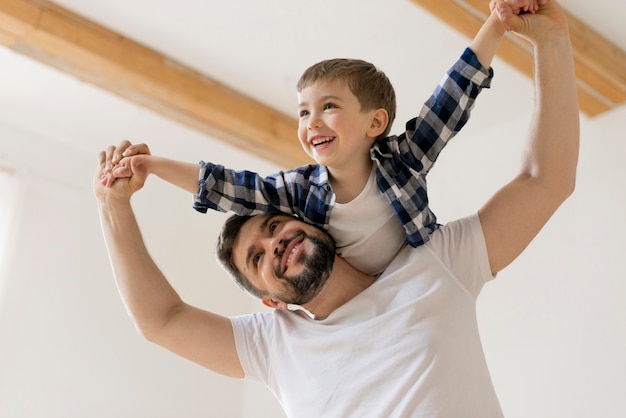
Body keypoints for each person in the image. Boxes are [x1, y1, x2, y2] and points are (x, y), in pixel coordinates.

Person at [95, 0, 578, 416]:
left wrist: (550, 42)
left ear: (311, 219)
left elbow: (545, 179)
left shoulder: (437, 264)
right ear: (271, 303)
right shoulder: (274, 345)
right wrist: (112, 205)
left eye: (273, 225)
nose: (273, 243)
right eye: (256, 259)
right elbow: (160, 320)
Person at [101, 0, 542, 277]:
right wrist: (152, 166)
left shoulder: (404, 160)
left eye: (329, 106)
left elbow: (452, 96)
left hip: (423, 272)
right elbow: (229, 187)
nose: (312, 122)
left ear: (375, 123)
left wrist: (498, 22)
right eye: (304, 112)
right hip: (367, 299)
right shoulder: (299, 191)